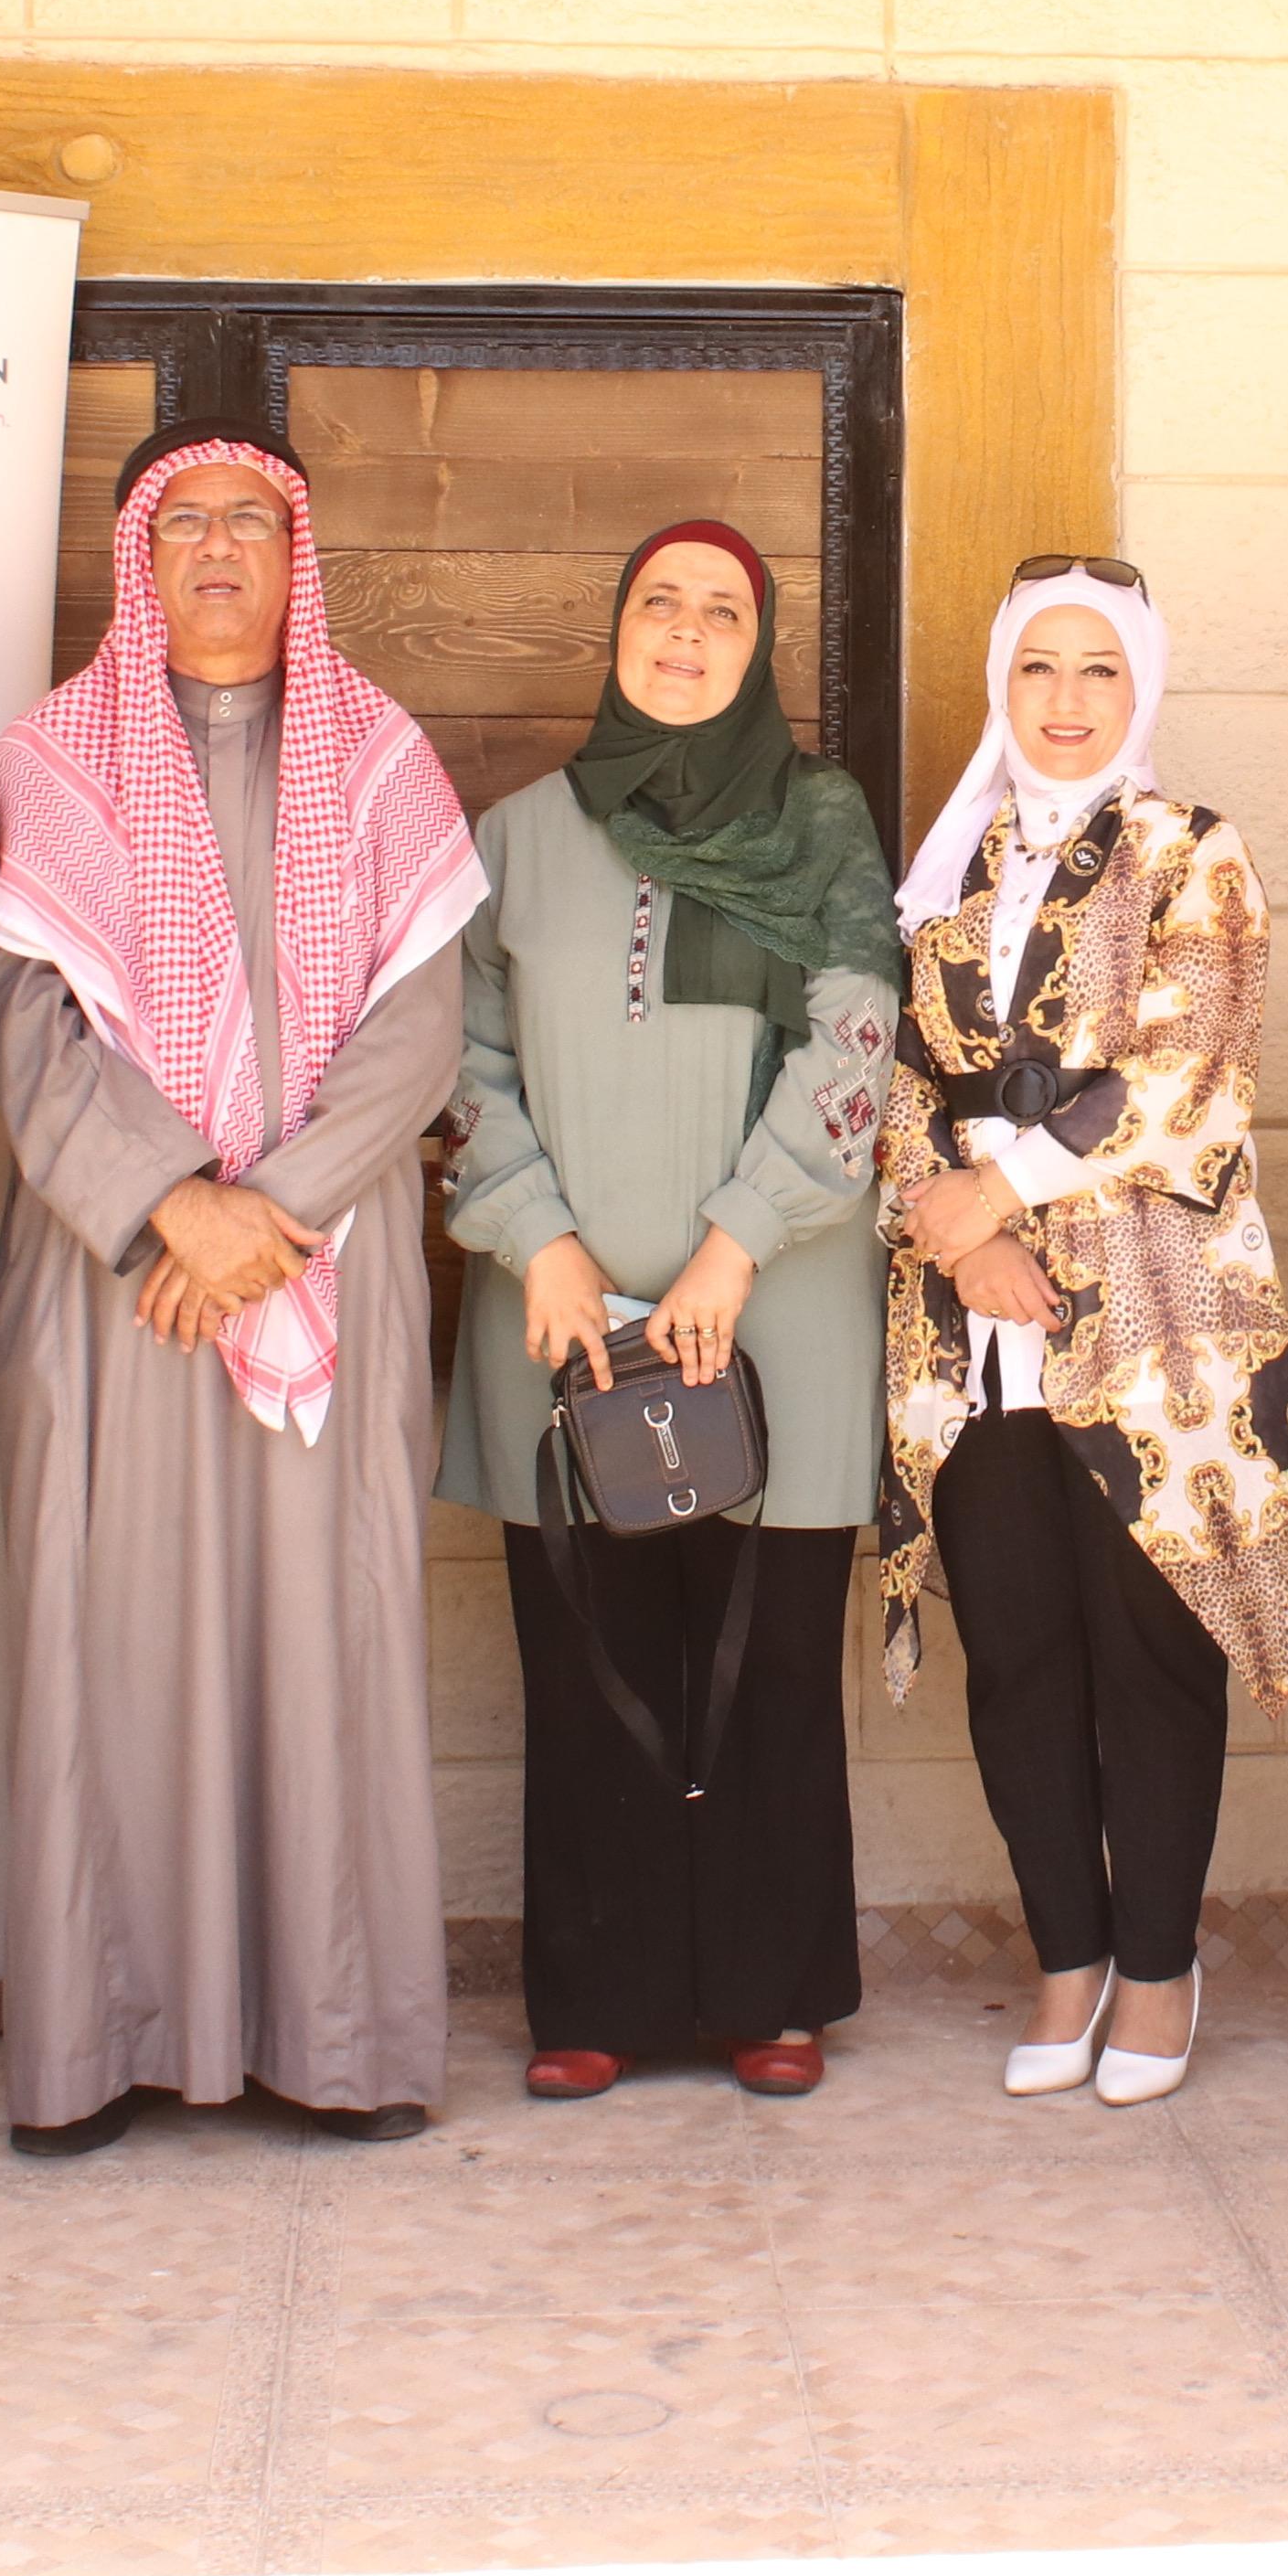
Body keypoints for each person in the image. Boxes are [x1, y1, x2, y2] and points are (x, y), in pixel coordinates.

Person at [0, 429, 481, 2148]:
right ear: (139, 554)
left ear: (295, 556)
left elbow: (421, 1030)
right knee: (108, 1636)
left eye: (249, 522)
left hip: (320, 1258)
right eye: (181, 520)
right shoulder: (53, 759)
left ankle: (336, 2044)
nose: (215, 548)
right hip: (118, 1284)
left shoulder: (383, 758)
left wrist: (267, 1210)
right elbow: (26, 1030)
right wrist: (168, 1209)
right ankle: (100, 2044)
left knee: (329, 1635)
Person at [441, 522, 901, 2097]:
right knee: (592, 1666)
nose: (687, 635)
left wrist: (734, 1244)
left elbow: (856, 1043)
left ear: (759, 648)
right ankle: (600, 1999)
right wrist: (542, 1244)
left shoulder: (820, 824)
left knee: (767, 1665)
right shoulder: (514, 838)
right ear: (618, 629)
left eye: (722, 614)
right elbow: (460, 1062)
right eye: (660, 605)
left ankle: (770, 1995)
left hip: (777, 1306)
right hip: (563, 1322)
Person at [877, 563, 1288, 2107]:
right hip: (971, 1337)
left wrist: (1001, 1194)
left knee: (1150, 1657)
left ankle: (1154, 1966)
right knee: (1017, 1660)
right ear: (1000, 687)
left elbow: (1189, 1068)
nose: (1065, 702)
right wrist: (960, 1230)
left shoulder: (1191, 851)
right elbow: (894, 1077)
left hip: (1148, 1324)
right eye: (1038, 670)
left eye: (1099, 672)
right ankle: (1064, 1957)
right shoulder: (948, 868)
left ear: (1142, 692)